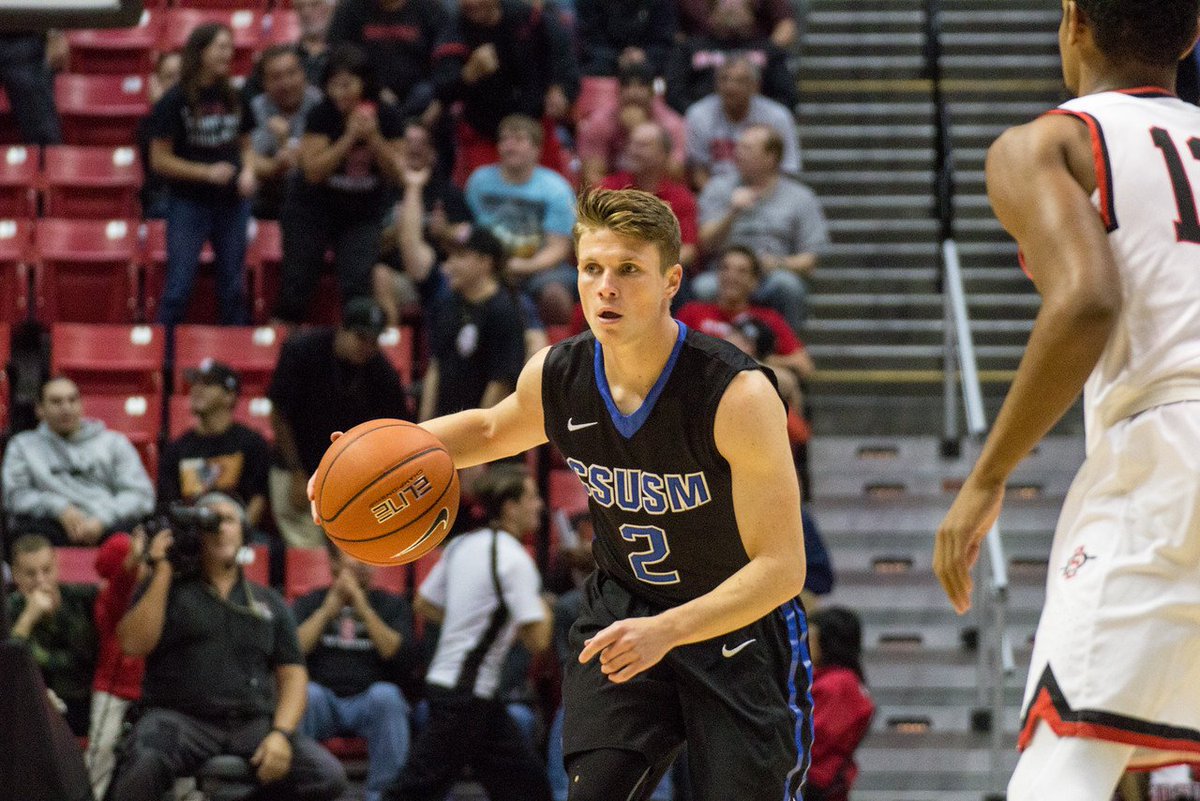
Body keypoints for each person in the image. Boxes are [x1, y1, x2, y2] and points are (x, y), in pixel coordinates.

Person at [314, 188, 810, 799]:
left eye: (629, 270)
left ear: (671, 281)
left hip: (735, 624)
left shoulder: (737, 394)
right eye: (592, 268)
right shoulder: (558, 373)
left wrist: (672, 631)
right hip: (626, 609)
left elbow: (783, 568)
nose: (606, 286)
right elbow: (491, 428)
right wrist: (366, 456)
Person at [933, 2, 1200, 799]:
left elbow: (1087, 300)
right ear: (1190, 36)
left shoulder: (1049, 141)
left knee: (1064, 763)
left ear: (1074, 22)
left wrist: (986, 476)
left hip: (1168, 449)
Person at [108, 493, 347, 801]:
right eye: (211, 520)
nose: (220, 527)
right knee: (142, 763)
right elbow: (132, 645)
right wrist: (163, 570)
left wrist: (281, 734)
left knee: (327, 776)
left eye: (229, 520)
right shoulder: (168, 588)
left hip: (251, 723)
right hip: (180, 719)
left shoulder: (267, 601)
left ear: (245, 533)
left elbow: (293, 675)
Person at [384, 465, 554, 801]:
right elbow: (539, 640)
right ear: (509, 506)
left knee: (527, 787)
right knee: (414, 789)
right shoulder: (514, 559)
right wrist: (544, 604)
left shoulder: (462, 544)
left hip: (460, 688)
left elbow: (424, 603)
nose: (540, 506)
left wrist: (468, 622)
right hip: (467, 693)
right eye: (532, 498)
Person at [275, 44, 406, 324]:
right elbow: (313, 172)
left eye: (347, 85)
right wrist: (348, 138)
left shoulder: (387, 116)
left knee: (357, 282)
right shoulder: (322, 114)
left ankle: (355, 343)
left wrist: (373, 139)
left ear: (364, 84)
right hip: (312, 209)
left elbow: (398, 173)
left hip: (361, 212)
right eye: (333, 86)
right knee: (297, 280)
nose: (340, 93)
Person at [270, 298, 412, 548]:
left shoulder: (382, 372)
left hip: (349, 474)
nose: (367, 346)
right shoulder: (302, 351)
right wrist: (296, 471)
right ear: (342, 329)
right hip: (297, 461)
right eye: (361, 337)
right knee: (308, 550)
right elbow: (280, 414)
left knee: (357, 548)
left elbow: (396, 431)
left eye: (374, 340)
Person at [147, 23, 256, 326]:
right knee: (178, 288)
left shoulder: (236, 96)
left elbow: (246, 145)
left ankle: (237, 361)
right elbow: (159, 160)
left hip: (232, 204)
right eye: (221, 47)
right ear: (201, 52)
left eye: (229, 47)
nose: (228, 53)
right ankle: (163, 363)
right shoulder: (175, 100)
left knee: (233, 289)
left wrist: (248, 170)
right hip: (188, 204)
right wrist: (205, 173)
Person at [295, 547, 415, 801]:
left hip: (369, 702)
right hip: (323, 701)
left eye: (368, 557)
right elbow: (293, 651)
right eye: (354, 555)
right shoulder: (311, 601)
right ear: (334, 563)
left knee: (388, 696)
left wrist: (362, 606)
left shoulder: (392, 605)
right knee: (305, 694)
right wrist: (328, 611)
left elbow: (396, 653)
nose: (362, 563)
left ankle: (384, 796)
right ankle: (303, 792)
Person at [431, 0, 580, 185]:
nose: (471, 3)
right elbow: (441, 88)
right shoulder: (455, 31)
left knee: (555, 191)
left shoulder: (529, 18)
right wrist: (468, 74)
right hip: (485, 135)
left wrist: (561, 88)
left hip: (535, 130)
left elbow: (564, 57)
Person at [697, 124, 829, 331]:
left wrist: (776, 264)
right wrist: (732, 212)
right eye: (738, 147)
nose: (738, 153)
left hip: (770, 275)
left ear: (771, 157)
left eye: (747, 149)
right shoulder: (718, 188)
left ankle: (787, 350)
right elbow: (705, 243)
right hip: (725, 274)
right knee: (703, 287)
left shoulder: (800, 197)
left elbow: (809, 260)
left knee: (788, 286)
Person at [3, 376, 155, 547]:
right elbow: (14, 496)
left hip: (108, 526)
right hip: (50, 527)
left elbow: (141, 494)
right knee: (26, 533)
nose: (66, 408)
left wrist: (102, 519)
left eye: (72, 400)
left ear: (81, 405)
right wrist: (58, 508)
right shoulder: (22, 446)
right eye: (56, 402)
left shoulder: (115, 443)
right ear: (40, 409)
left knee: (133, 536)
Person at [464, 113, 577, 323]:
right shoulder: (479, 182)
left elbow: (559, 248)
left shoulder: (557, 189)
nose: (510, 146)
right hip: (487, 266)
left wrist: (522, 267)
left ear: (536, 149)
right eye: (504, 140)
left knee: (555, 296)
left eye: (518, 139)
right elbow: (468, 232)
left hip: (542, 268)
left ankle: (558, 352)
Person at [87, 530, 167, 800]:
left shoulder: (162, 589)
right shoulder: (110, 597)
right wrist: (131, 562)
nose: (144, 567)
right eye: (138, 562)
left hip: (157, 692)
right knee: (102, 750)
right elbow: (122, 585)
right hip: (113, 689)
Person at [420, 224, 528, 420]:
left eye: (460, 256)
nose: (449, 265)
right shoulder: (447, 305)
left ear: (485, 262)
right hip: (446, 433)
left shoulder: (504, 311)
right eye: (449, 256)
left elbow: (500, 384)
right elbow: (436, 367)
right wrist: (423, 429)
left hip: (487, 440)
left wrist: (478, 441)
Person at [158, 360, 271, 528]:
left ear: (229, 396)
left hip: (237, 533)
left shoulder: (252, 444)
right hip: (192, 536)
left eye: (208, 383)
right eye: (195, 382)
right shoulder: (176, 450)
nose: (197, 389)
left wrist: (240, 534)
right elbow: (169, 504)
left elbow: (258, 498)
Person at [5, 534, 98, 736]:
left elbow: (84, 658)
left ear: (56, 567)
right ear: (15, 575)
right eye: (30, 574)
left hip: (78, 702)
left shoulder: (80, 598)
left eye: (46, 570)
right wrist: (27, 619)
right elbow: (9, 667)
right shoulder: (9, 611)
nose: (41, 580)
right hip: (27, 706)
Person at [684, 55, 799, 189]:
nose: (730, 86)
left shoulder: (777, 117)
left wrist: (760, 200)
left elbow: (786, 170)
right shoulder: (699, 115)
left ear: (756, 86)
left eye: (740, 81)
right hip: (715, 194)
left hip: (769, 195)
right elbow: (698, 171)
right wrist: (718, 198)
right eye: (724, 79)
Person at [599, 120, 699, 271]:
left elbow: (688, 250)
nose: (633, 151)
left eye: (642, 146)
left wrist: (651, 269)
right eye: (631, 144)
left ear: (663, 155)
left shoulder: (680, 197)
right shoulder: (608, 190)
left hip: (660, 273)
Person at [327, 0, 449, 117]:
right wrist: (376, 90)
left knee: (426, 93)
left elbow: (446, 60)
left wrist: (440, 101)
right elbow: (339, 57)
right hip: (366, 96)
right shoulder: (351, 9)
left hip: (420, 97)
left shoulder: (430, 9)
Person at [578, 63, 688, 190]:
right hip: (613, 198)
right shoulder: (599, 123)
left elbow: (675, 175)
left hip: (658, 196)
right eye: (627, 86)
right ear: (618, 91)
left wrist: (638, 129)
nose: (633, 93)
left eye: (641, 86)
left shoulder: (671, 124)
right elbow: (591, 178)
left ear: (652, 92)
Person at [806, 606, 874, 801]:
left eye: (810, 638)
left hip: (814, 783)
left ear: (827, 642)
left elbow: (813, 740)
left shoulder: (838, 684)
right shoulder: (844, 681)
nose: (804, 645)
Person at [250, 45, 323, 220]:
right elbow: (250, 161)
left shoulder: (320, 104)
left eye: (292, 74)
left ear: (303, 75)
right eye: (276, 77)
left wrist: (287, 146)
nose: (286, 83)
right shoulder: (255, 109)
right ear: (264, 83)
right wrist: (278, 165)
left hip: (316, 198)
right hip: (268, 198)